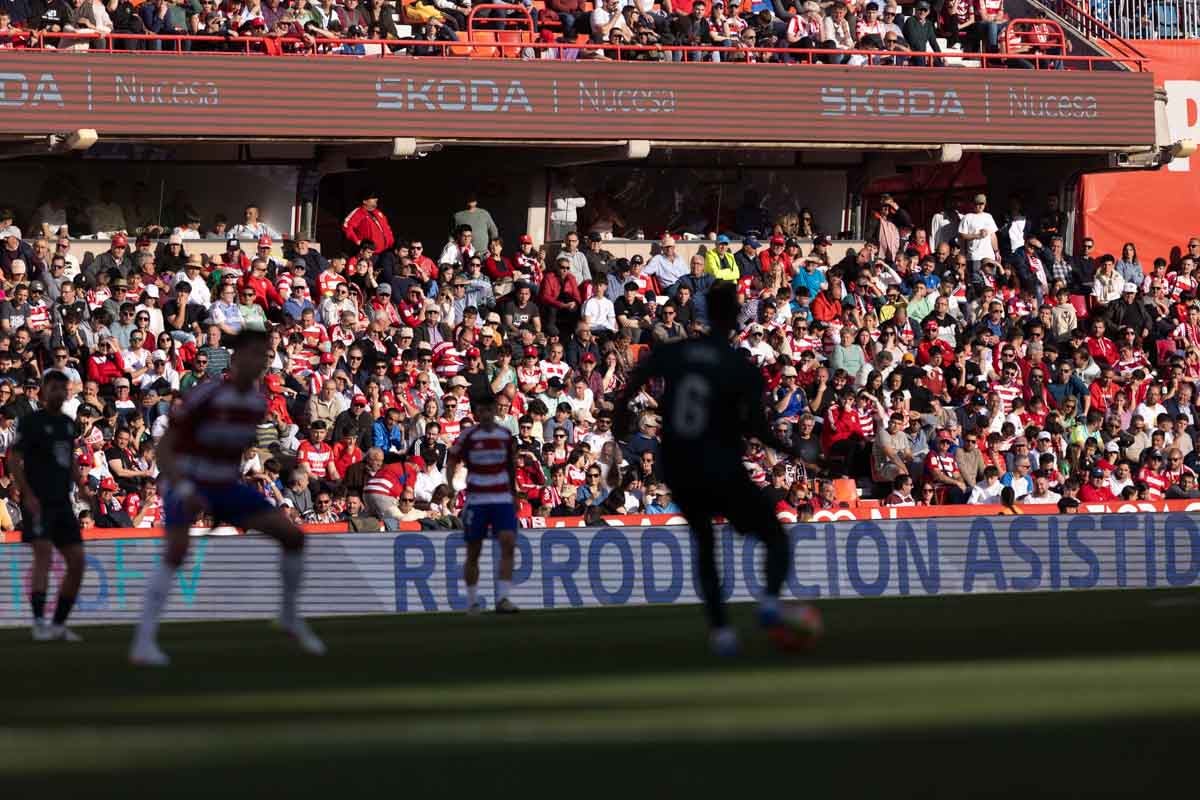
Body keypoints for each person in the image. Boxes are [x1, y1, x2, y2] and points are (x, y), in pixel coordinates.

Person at [615, 282, 822, 656]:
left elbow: (634, 380)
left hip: (681, 466)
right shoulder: (739, 367)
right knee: (773, 534)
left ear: (708, 311)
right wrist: (794, 450)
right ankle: (770, 604)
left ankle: (721, 632)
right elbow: (758, 429)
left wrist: (619, 420)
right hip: (722, 464)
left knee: (705, 545)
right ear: (735, 313)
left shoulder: (677, 352)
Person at [130, 330, 325, 667]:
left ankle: (289, 616)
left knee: (292, 536)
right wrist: (189, 489)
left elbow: (229, 450)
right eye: (254, 354)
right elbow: (166, 447)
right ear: (236, 360)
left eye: (265, 355)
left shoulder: (255, 403)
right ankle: (143, 640)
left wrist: (287, 462)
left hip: (224, 486)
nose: (261, 361)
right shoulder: (207, 394)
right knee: (177, 551)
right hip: (188, 482)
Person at [8, 370, 87, 642]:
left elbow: (70, 460)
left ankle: (58, 624)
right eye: (53, 388)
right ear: (44, 390)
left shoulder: (67, 423)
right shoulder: (31, 423)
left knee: (77, 561)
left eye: (62, 389)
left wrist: (83, 485)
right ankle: (39, 622)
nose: (58, 393)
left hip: (63, 501)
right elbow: (13, 460)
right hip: (38, 501)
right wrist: (26, 493)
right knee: (43, 555)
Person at [446, 392, 520, 615]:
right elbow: (452, 460)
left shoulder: (505, 435)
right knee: (474, 550)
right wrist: (451, 485)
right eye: (482, 411)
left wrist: (513, 493)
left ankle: (504, 598)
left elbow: (511, 465)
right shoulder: (468, 436)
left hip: (502, 499)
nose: (486, 414)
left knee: (507, 543)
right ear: (477, 413)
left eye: (490, 410)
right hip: (477, 500)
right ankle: (471, 602)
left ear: (495, 411)